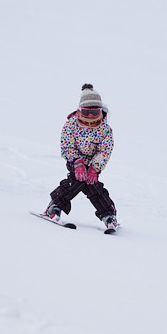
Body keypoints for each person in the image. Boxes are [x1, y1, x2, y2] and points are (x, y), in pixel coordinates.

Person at [42, 84, 118, 231]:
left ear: (101, 111)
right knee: (77, 179)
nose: (90, 117)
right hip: (75, 159)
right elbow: (67, 145)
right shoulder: (71, 124)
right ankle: (55, 206)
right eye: (86, 112)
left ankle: (109, 215)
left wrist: (95, 168)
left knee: (92, 184)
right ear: (79, 110)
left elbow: (105, 150)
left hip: (93, 162)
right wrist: (77, 162)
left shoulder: (105, 129)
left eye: (95, 112)